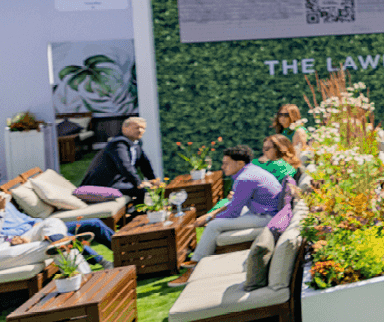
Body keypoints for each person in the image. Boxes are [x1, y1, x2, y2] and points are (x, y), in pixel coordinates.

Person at [170, 144, 283, 286]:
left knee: (213, 226)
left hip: (267, 216)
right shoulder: (251, 171)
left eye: (226, 163)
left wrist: (210, 218)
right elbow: (235, 204)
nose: (223, 167)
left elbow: (234, 211)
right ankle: (202, 259)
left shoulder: (245, 178)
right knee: (216, 221)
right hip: (264, 210)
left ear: (240, 163)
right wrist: (212, 214)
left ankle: (194, 268)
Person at [0, 167, 112, 268]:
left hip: (36, 228)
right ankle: (102, 262)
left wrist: (37, 222)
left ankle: (125, 251)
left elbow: (22, 218)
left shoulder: (3, 199)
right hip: (21, 237)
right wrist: (17, 236)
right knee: (62, 236)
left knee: (93, 223)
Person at [0, 175, 75, 275]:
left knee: (52, 222)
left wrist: (11, 239)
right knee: (53, 248)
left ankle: (58, 241)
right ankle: (81, 276)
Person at [81, 116, 160, 204]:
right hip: (103, 185)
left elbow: (145, 163)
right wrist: (138, 183)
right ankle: (138, 216)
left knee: (154, 188)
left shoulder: (135, 144)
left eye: (143, 128)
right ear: (124, 128)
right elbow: (125, 165)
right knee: (144, 190)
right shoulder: (118, 144)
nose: (140, 130)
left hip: (118, 182)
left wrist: (153, 179)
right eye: (137, 127)